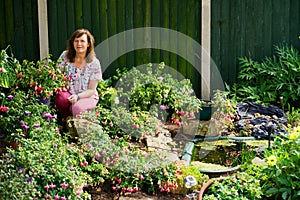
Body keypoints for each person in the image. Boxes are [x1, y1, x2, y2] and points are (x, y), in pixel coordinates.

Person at [55, 29, 102, 119]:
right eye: (76, 41)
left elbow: (91, 90)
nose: (79, 44)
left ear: (88, 44)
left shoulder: (94, 63)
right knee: (61, 99)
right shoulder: (65, 56)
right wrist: (62, 86)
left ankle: (78, 125)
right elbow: (57, 74)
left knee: (77, 108)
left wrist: (77, 96)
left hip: (86, 96)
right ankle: (66, 121)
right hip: (69, 94)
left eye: (82, 41)